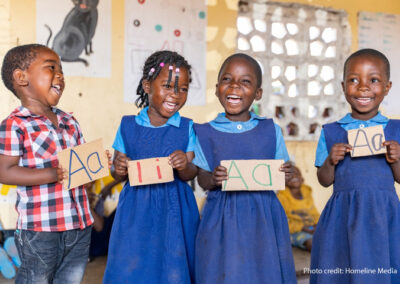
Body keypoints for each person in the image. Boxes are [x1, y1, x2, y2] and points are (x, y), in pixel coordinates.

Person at [0, 44, 110, 283]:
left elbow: (79, 172)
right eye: (51, 68)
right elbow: (5, 171)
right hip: (41, 229)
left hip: (79, 224)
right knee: (36, 278)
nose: (60, 75)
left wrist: (95, 164)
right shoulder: (15, 124)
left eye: (61, 69)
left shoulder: (70, 121)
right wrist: (50, 174)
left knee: (69, 280)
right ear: (21, 78)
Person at [193, 53, 297, 284]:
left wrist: (286, 174)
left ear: (258, 93)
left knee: (263, 271)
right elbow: (202, 179)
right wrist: (214, 178)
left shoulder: (271, 130)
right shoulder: (203, 132)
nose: (235, 86)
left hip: (264, 217)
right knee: (224, 272)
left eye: (245, 81)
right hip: (221, 218)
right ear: (217, 87)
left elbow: (281, 172)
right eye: (227, 79)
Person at [103, 50, 200, 283]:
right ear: (147, 86)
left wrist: (184, 164)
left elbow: (191, 173)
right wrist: (119, 167)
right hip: (136, 210)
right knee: (134, 264)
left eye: (183, 88)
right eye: (167, 86)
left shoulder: (188, 127)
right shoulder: (128, 125)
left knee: (173, 265)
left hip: (175, 209)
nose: (175, 95)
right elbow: (118, 171)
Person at [311, 48, 400, 283]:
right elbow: (324, 179)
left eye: (373, 80)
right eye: (353, 80)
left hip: (383, 215)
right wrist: (330, 161)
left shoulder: (396, 129)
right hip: (343, 215)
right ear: (343, 87)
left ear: (387, 87)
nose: (363, 87)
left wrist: (397, 159)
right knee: (342, 268)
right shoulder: (331, 131)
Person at [277, 165, 320, 252]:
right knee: (311, 242)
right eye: (289, 174)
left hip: (312, 228)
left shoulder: (306, 192)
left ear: (302, 179)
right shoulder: (281, 196)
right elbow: (282, 222)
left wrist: (318, 224)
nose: (294, 176)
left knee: (330, 237)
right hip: (295, 231)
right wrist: (302, 227)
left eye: (296, 174)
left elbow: (314, 212)